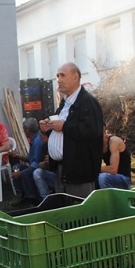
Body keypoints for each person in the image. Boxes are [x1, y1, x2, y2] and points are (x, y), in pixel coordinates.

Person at [40, 62, 104, 198]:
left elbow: (92, 131)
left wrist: (64, 126)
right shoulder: (65, 103)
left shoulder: (88, 102)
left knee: (81, 212)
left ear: (75, 77)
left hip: (79, 171)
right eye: (57, 76)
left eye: (62, 75)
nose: (59, 79)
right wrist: (49, 127)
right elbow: (63, 133)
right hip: (63, 169)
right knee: (65, 210)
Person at [9, 117, 42, 207]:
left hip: (39, 169)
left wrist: (20, 173)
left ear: (27, 130)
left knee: (24, 173)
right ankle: (22, 194)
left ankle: (31, 198)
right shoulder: (34, 139)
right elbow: (31, 159)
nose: (23, 131)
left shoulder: (37, 142)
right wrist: (18, 155)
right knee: (17, 167)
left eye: (24, 129)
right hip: (34, 166)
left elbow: (35, 164)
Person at [32, 129, 56, 202]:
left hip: (63, 177)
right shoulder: (45, 146)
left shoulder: (57, 144)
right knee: (37, 172)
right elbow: (39, 164)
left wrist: (53, 159)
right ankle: (46, 200)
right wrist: (46, 162)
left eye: (41, 136)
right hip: (53, 176)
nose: (39, 138)